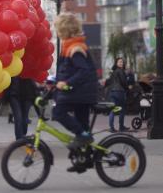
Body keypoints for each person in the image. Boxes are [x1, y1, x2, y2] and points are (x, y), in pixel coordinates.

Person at [51, 13, 98, 171]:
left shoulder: (75, 48)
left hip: (81, 93)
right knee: (82, 127)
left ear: (65, 30)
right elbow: (68, 70)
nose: (57, 32)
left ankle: (83, 136)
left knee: (58, 112)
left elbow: (83, 71)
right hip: (82, 93)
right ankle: (84, 160)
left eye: (58, 29)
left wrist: (66, 83)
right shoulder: (70, 46)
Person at [108, 57, 130, 132]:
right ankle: (121, 127)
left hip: (112, 92)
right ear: (116, 63)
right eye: (119, 62)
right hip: (119, 92)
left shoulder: (113, 72)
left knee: (113, 110)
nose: (121, 63)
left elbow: (109, 82)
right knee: (122, 109)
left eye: (122, 62)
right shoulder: (120, 71)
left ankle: (111, 127)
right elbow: (124, 82)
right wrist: (127, 89)